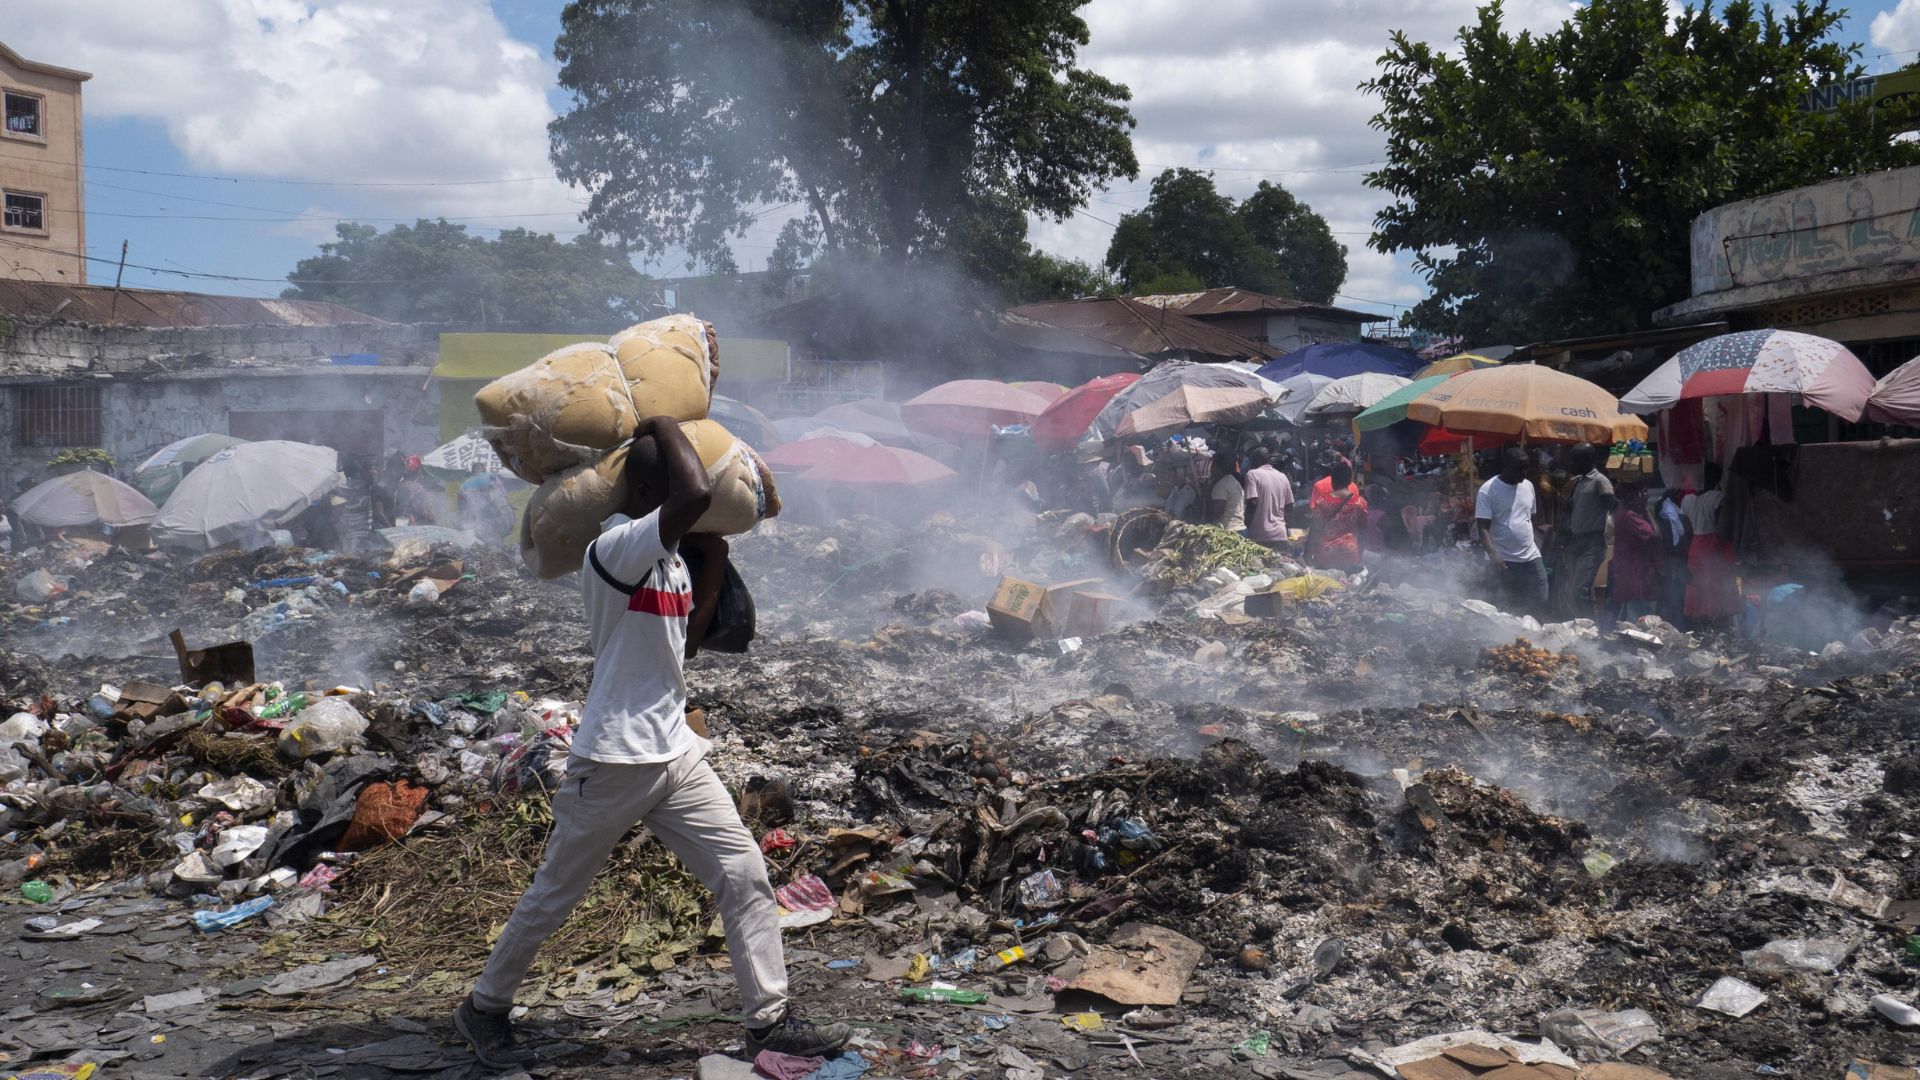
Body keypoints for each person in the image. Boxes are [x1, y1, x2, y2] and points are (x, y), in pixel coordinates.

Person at [455, 416, 848, 1068]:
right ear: (646, 493)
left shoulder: (669, 563)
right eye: (670, 482)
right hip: (613, 756)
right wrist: (665, 421)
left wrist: (716, 555)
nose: (688, 494)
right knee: (555, 895)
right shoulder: (611, 550)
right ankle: (483, 1007)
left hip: (674, 752)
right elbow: (693, 494)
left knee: (744, 874)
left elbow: (685, 645)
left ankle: (769, 1022)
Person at [1475, 447, 1547, 615]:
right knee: (1508, 608)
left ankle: (1535, 635)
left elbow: (1528, 518)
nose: (1524, 472)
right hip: (1504, 560)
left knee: (1540, 599)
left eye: (1526, 467)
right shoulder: (1488, 490)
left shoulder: (1528, 486)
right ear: (1506, 466)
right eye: (1520, 468)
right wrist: (1493, 555)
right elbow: (1483, 527)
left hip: (1531, 557)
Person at [1682, 464, 1741, 629]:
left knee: (1700, 587)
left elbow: (1685, 528)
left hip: (1695, 545)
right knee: (1719, 588)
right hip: (1713, 546)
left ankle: (1703, 627)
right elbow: (1723, 526)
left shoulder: (1687, 500)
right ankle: (1720, 627)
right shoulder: (1717, 497)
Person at [1565, 444, 1616, 617]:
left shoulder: (1600, 481)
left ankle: (1590, 627)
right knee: (1579, 589)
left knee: (1580, 589)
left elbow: (1613, 505)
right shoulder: (1579, 481)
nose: (1572, 463)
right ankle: (1587, 626)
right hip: (1577, 541)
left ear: (1588, 460)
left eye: (1576, 460)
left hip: (1592, 542)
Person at [1608, 486, 1661, 623]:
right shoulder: (1630, 515)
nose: (1646, 497)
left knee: (1627, 621)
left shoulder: (1623, 512)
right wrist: (1646, 510)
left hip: (1631, 578)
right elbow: (1656, 534)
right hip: (1637, 579)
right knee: (1640, 624)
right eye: (1642, 494)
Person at [1306, 459, 1368, 572]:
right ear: (1350, 481)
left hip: (1326, 554)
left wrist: (1307, 554)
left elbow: (1315, 530)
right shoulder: (1360, 503)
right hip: (1349, 552)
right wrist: (1360, 555)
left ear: (1332, 481)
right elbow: (1363, 532)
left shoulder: (1322, 503)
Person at [1653, 486, 1691, 625]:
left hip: (1673, 560)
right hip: (1674, 560)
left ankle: (1676, 626)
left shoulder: (1666, 511)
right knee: (1675, 597)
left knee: (1674, 597)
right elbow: (1679, 536)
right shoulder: (1672, 513)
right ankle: (1677, 627)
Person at [1241, 448, 1295, 547]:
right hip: (1280, 535)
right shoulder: (1283, 477)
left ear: (1256, 460)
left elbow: (1252, 503)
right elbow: (1290, 506)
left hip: (1260, 536)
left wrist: (1247, 527)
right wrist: (1286, 528)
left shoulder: (1252, 474)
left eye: (1251, 460)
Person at [458, 463, 515, 545]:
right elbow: (503, 496)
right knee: (492, 534)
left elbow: (461, 506)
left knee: (488, 536)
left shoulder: (466, 484)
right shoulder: (492, 478)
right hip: (491, 512)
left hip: (486, 512)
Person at [1207, 453, 1245, 532]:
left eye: (1213, 466)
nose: (1211, 469)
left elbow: (1217, 512)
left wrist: (1206, 494)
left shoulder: (1221, 485)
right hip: (1240, 528)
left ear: (1219, 467)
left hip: (1229, 530)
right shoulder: (1234, 482)